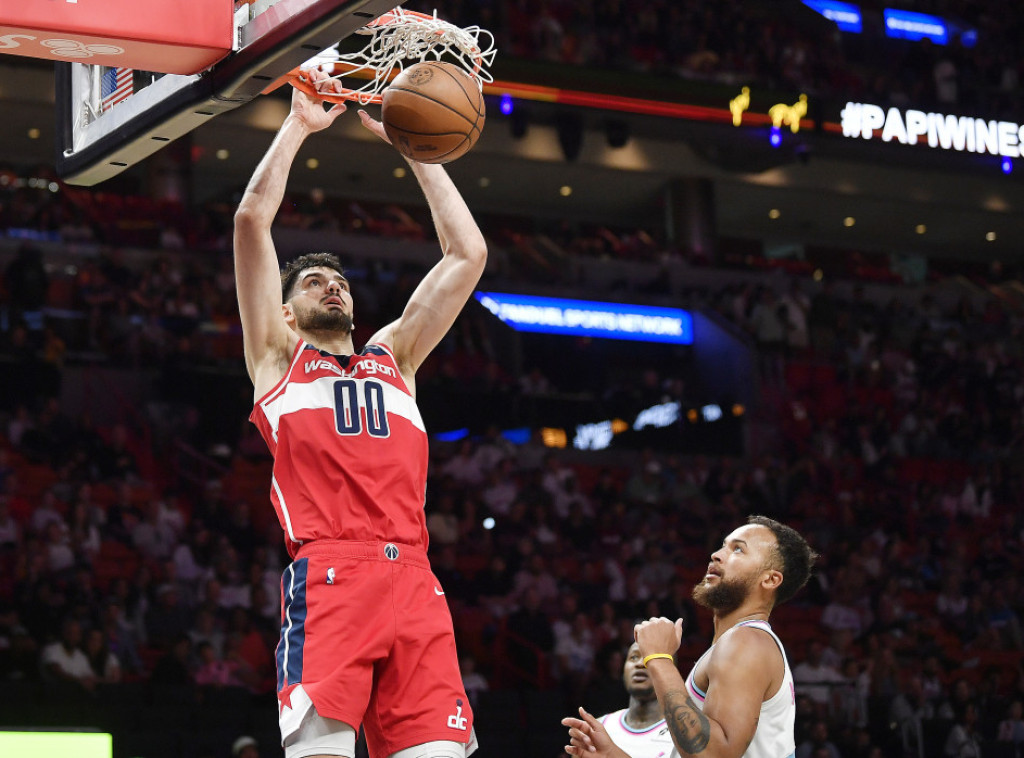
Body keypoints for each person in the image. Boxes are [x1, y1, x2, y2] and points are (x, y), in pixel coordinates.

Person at [233, 67, 487, 758]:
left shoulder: (395, 357)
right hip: (332, 576)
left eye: (339, 281)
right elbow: (251, 220)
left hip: (416, 579)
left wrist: (415, 147)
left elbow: (467, 254)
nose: (332, 287)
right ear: (286, 312)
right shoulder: (277, 359)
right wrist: (298, 126)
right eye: (314, 282)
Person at [563, 515, 817, 758]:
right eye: (723, 545)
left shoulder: (747, 641)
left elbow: (713, 755)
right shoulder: (739, 643)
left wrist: (659, 658)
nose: (716, 554)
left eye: (738, 549)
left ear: (770, 579)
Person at [592, 641, 675, 758]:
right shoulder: (599, 728)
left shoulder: (685, 734)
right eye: (634, 657)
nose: (640, 663)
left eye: (651, 657)